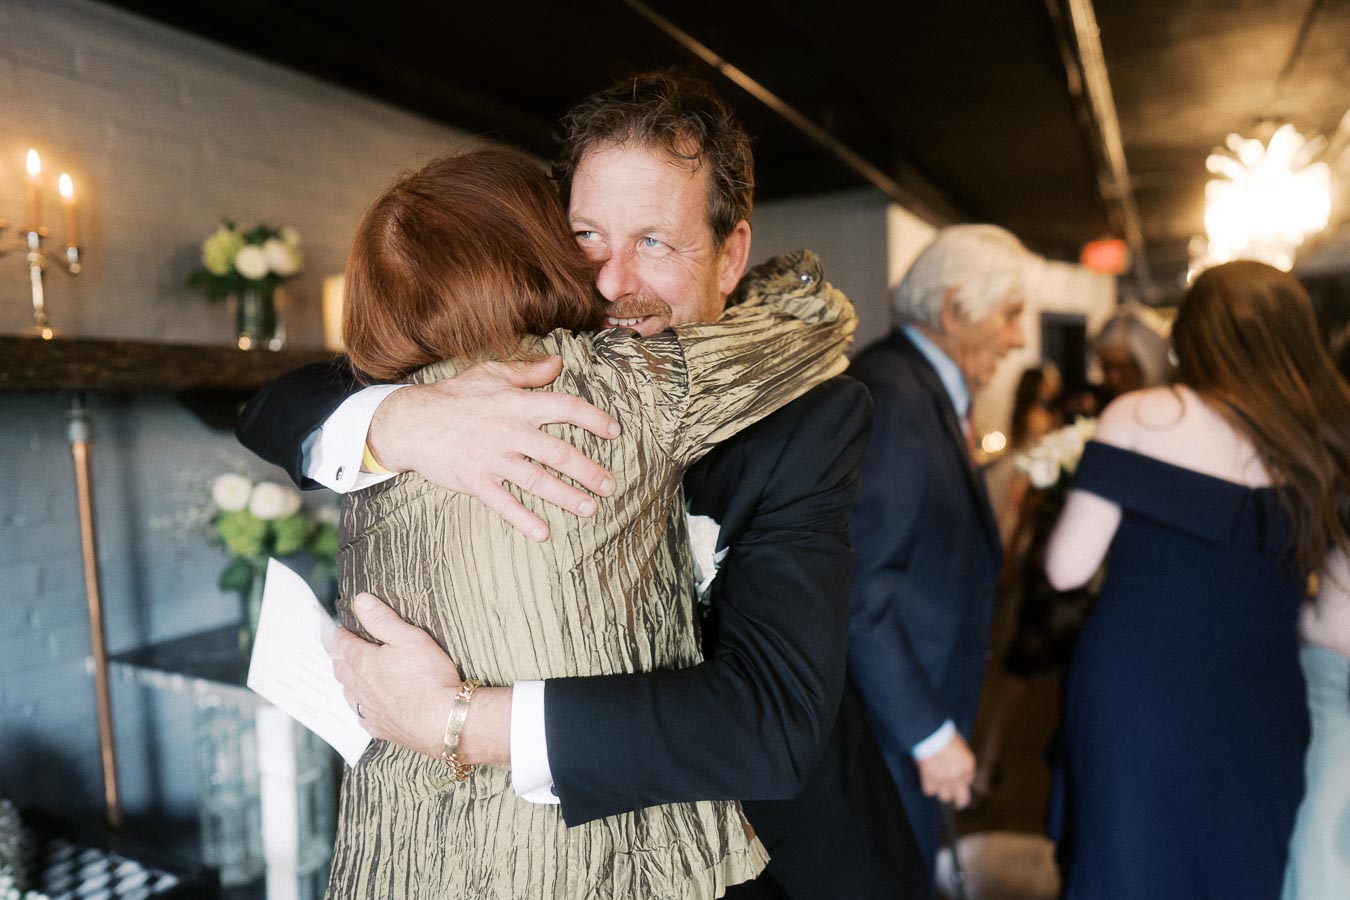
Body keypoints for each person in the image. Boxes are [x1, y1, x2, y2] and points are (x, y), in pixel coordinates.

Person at [236, 71, 927, 899]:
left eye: (655, 243)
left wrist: (452, 720)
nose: (610, 283)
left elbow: (767, 722)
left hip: (769, 856)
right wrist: (404, 421)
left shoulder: (808, 419)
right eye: (589, 236)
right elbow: (279, 403)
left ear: (731, 253)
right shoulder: (509, 365)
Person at [1045, 260, 1350, 899]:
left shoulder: (1142, 414)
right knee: (1237, 870)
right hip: (1260, 696)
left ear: (1190, 338)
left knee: (1126, 867)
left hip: (1138, 696)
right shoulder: (1318, 434)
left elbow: (1065, 569)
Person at [846, 224, 1034, 879]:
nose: (1019, 339)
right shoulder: (898, 398)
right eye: (1011, 315)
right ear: (953, 308)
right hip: (893, 730)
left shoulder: (918, 388)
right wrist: (927, 733)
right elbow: (858, 591)